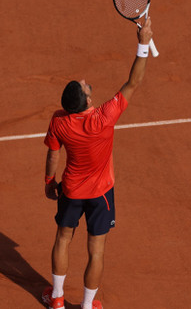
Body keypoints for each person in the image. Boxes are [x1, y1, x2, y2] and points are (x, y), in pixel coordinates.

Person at [40, 17, 154, 309]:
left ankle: (56, 300)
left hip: (72, 191)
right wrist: (143, 45)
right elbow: (134, 81)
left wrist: (49, 183)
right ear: (87, 98)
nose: (84, 81)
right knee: (97, 251)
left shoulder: (59, 120)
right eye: (83, 86)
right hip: (101, 194)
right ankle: (88, 306)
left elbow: (53, 154)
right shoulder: (104, 117)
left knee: (63, 240)